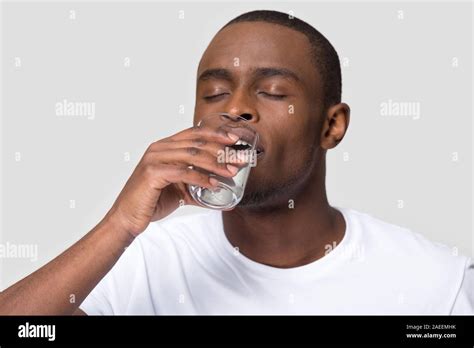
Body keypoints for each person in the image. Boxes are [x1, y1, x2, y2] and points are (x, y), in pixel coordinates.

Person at [0, 10, 472, 315]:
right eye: (215, 93)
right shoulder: (144, 262)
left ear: (332, 126)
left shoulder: (436, 284)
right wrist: (120, 224)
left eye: (272, 92)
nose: (236, 109)